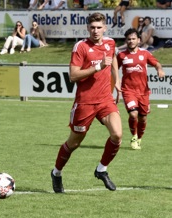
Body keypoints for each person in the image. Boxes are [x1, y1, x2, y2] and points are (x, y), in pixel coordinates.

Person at [50, 12, 122, 193]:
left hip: (105, 99)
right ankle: (56, 172)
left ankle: (101, 170)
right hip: (85, 103)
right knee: (74, 143)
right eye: (92, 27)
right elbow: (73, 76)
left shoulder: (110, 43)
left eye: (99, 27)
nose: (95, 31)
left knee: (117, 135)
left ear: (105, 28)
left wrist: (117, 82)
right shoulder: (80, 47)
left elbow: (112, 57)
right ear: (87, 28)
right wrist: (97, 67)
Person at [117, 28, 165, 150]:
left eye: (133, 39)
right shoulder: (121, 55)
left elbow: (157, 63)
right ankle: (133, 136)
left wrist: (159, 69)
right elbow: (113, 70)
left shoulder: (145, 54)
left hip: (143, 91)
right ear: (126, 41)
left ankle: (139, 138)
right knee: (133, 115)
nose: (131, 41)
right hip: (128, 90)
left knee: (142, 117)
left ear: (139, 40)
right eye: (128, 39)